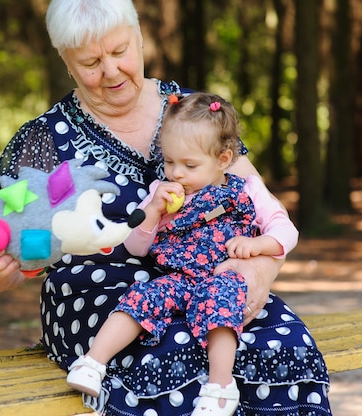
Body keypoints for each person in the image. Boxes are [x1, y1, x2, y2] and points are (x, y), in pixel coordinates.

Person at [0, 0, 332, 414]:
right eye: (90, 61)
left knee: (282, 344)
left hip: (212, 279)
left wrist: (260, 269)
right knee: (170, 355)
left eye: (120, 51)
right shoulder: (42, 142)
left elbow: (259, 204)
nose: (111, 71)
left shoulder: (195, 111)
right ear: (67, 63)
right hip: (96, 296)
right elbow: (16, 242)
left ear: (140, 39)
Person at [65, 92, 299, 416]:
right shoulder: (161, 194)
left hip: (222, 276)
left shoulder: (246, 188)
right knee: (140, 297)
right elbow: (136, 246)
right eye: (170, 162)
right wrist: (154, 211)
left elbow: (286, 231)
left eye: (190, 165)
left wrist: (259, 246)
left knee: (220, 305)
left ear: (223, 159)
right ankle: (93, 362)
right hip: (177, 278)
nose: (176, 173)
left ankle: (220, 387)